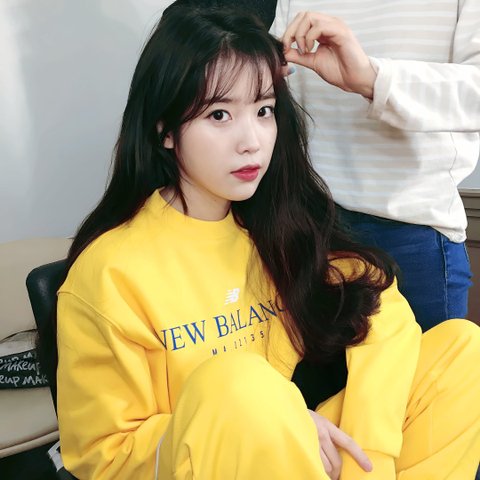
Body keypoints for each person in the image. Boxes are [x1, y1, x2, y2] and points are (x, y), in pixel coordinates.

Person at [53, 4, 480, 480]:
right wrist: (265, 419)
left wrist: (368, 457)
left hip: (293, 458)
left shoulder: (271, 230)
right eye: (219, 114)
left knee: (464, 352)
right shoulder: (109, 271)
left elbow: (381, 302)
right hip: (204, 467)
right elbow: (104, 455)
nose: (252, 141)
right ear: (165, 129)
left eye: (263, 111)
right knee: (238, 382)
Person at [268, 1, 480, 331]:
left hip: (411, 231)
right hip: (305, 227)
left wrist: (371, 78)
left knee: (428, 364)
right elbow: (276, 80)